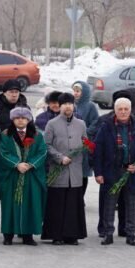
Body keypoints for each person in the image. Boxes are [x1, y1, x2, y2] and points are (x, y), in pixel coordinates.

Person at [94, 97, 135, 246]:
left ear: (130, 110)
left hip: (131, 172)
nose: (123, 112)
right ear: (115, 110)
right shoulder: (106, 126)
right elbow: (98, 151)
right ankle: (108, 234)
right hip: (112, 172)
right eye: (120, 109)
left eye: (126, 109)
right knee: (109, 204)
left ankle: (131, 235)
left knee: (131, 205)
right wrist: (98, 172)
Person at [0, 106, 46, 245]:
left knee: (30, 204)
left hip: (30, 175)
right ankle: (8, 235)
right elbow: (2, 151)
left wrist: (30, 164)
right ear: (12, 120)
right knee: (10, 204)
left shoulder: (37, 135)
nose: (20, 120)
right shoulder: (6, 135)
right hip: (12, 175)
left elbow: (42, 152)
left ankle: (27, 235)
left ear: (28, 120)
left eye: (23, 118)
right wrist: (17, 164)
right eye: (17, 118)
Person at [42, 93, 87, 245]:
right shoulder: (52, 124)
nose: (68, 106)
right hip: (58, 169)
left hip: (75, 170)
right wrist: (59, 157)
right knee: (57, 204)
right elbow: (46, 145)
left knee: (73, 204)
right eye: (64, 104)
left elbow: (85, 142)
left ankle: (72, 235)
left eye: (70, 103)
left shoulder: (81, 124)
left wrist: (84, 148)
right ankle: (57, 235)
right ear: (59, 106)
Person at [0, 79, 28, 238]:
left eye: (16, 92)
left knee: (19, 194)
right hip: (0, 159)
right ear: (4, 93)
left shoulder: (25, 109)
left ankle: (20, 227)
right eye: (11, 92)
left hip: (21, 160)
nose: (14, 94)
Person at [71, 81, 99, 196]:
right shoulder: (70, 104)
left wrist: (85, 132)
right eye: (74, 91)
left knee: (83, 172)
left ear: (84, 92)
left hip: (84, 143)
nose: (76, 93)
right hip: (71, 143)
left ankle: (80, 198)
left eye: (78, 91)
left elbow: (96, 122)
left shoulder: (90, 106)